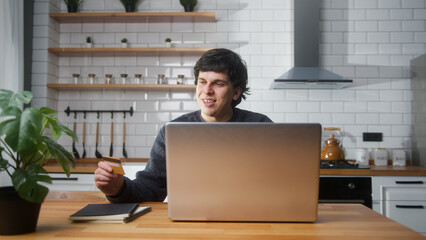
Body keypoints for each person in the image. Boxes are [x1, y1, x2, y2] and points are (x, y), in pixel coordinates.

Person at [94, 48, 273, 203]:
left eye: (218, 83)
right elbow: (151, 189)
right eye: (202, 82)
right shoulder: (173, 131)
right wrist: (118, 188)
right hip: (190, 222)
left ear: (235, 93)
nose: (207, 90)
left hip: (251, 219)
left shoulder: (261, 127)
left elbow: (281, 182)